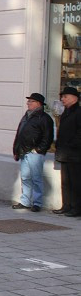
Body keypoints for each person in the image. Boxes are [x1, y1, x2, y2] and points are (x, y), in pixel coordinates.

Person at [12, 93, 54, 213]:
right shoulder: (26, 116)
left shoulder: (44, 118)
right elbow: (19, 133)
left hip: (35, 152)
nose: (28, 103)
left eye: (31, 101)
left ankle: (37, 203)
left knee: (36, 178)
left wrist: (39, 149)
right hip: (23, 151)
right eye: (28, 101)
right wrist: (16, 149)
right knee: (25, 177)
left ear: (38, 104)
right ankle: (25, 201)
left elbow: (48, 137)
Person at [56, 86, 81, 216]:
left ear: (74, 98)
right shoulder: (65, 112)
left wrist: (71, 144)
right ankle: (66, 205)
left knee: (76, 182)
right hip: (65, 153)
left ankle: (76, 208)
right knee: (65, 182)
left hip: (75, 154)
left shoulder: (78, 112)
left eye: (65, 96)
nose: (62, 99)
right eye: (62, 96)